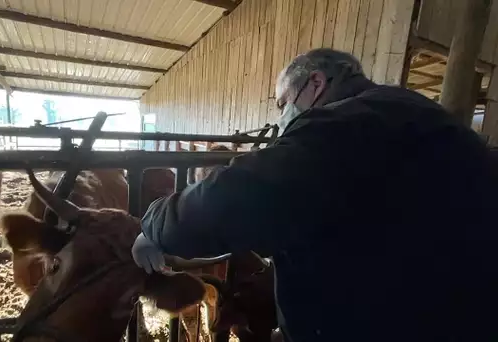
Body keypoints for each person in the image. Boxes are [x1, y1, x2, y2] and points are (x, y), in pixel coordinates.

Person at [131, 48, 498, 341]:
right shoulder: (420, 113)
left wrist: (155, 225)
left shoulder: (342, 125)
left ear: (316, 83)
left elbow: (239, 198)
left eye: (283, 103)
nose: (282, 116)